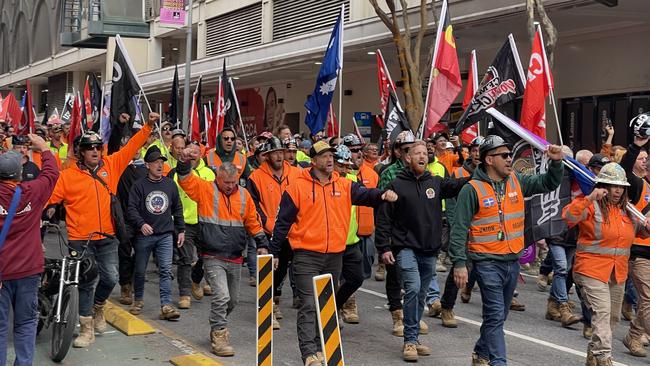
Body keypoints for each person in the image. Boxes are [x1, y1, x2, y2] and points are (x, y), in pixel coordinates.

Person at [269, 140, 397, 366]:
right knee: (309, 304)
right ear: (313, 161)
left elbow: (366, 195)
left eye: (331, 156)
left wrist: (382, 195)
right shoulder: (298, 186)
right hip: (306, 256)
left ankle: (320, 347)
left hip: (334, 256)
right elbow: (282, 223)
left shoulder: (345, 185)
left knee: (325, 306)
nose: (329, 160)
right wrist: (275, 252)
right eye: (324, 156)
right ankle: (309, 353)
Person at [450, 135, 564, 366]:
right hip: (486, 262)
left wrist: (556, 163)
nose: (510, 159)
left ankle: (480, 353)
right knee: (494, 316)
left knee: (499, 316)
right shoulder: (471, 189)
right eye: (504, 155)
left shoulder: (516, 180)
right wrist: (460, 263)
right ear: (489, 160)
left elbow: (548, 183)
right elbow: (459, 229)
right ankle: (498, 362)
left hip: (512, 261)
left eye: (510, 154)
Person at [47, 112, 157, 348]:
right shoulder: (67, 176)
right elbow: (51, 199)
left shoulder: (112, 165)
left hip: (107, 238)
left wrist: (148, 125)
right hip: (79, 240)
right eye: (90, 148)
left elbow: (133, 146)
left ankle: (99, 307)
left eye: (98, 147)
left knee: (111, 277)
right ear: (81, 152)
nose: (96, 151)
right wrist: (47, 210)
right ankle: (86, 329)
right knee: (86, 282)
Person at [376, 141, 469, 361]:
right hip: (405, 248)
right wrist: (384, 247)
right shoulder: (397, 185)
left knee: (420, 295)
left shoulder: (435, 182)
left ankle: (414, 339)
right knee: (413, 287)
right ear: (407, 158)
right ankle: (409, 341)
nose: (422, 156)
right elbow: (384, 219)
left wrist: (480, 172)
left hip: (429, 249)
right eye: (416, 153)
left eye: (425, 153)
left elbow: (459, 184)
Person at [178, 148, 269, 356]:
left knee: (232, 300)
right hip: (212, 255)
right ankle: (219, 334)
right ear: (217, 178)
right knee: (221, 295)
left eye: (233, 182)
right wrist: (184, 160)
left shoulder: (244, 195)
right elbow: (185, 179)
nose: (230, 186)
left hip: (235, 256)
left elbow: (253, 221)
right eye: (226, 182)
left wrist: (261, 241)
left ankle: (217, 324)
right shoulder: (205, 189)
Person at [564, 162, 650, 366]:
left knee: (612, 318)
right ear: (602, 186)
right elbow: (569, 217)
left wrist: (647, 226)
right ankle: (603, 357)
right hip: (590, 270)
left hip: (617, 273)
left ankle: (593, 356)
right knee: (602, 313)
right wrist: (589, 198)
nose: (618, 190)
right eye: (613, 186)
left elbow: (640, 232)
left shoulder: (628, 211)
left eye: (621, 186)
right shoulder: (590, 205)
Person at [0, 135, 59, 366]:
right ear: (20, 174)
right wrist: (44, 147)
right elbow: (52, 173)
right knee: (25, 323)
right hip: (27, 271)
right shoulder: (32, 192)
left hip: (2, 274)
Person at [248, 137, 301, 329]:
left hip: (292, 231)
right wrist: (264, 224)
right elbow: (253, 204)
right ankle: (267, 307)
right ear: (267, 156)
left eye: (281, 152)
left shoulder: (297, 173)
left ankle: (274, 300)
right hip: (268, 231)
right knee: (268, 269)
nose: (279, 156)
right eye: (275, 153)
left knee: (283, 269)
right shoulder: (256, 177)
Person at [127, 145, 185, 319]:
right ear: (147, 165)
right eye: (155, 162)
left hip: (165, 234)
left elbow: (177, 207)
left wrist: (181, 229)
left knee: (166, 270)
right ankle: (138, 299)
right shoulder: (139, 186)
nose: (159, 165)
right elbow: (131, 209)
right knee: (140, 269)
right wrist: (141, 224)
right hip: (144, 236)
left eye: (161, 162)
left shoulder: (170, 184)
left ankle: (166, 305)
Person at [620, 135, 650, 356]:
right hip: (640, 253)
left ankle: (634, 335)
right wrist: (636, 146)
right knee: (648, 299)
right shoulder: (639, 185)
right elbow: (623, 172)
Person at [116, 146, 148, 306]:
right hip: (124, 218)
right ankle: (125, 285)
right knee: (124, 252)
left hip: (142, 219)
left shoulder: (146, 169)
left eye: (139, 147)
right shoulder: (120, 168)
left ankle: (135, 279)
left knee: (141, 252)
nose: (136, 150)